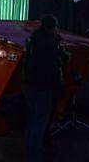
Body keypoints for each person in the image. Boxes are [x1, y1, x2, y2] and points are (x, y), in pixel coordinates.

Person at [23, 14, 65, 162]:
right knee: (39, 122)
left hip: (31, 85)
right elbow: (52, 65)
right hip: (43, 86)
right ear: (51, 27)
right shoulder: (49, 43)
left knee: (32, 121)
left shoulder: (33, 40)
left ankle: (29, 152)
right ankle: (34, 156)